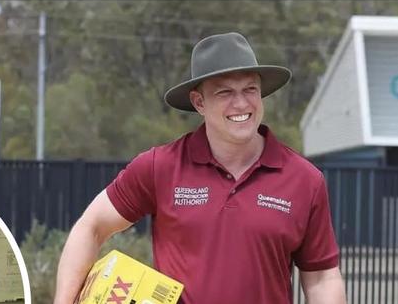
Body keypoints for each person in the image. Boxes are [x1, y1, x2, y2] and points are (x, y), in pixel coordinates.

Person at [54, 33, 346, 304]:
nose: (241, 103)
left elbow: (321, 277)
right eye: (225, 93)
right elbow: (91, 227)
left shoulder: (304, 179)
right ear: (199, 102)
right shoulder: (160, 167)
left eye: (250, 89)